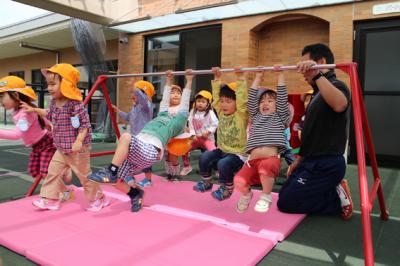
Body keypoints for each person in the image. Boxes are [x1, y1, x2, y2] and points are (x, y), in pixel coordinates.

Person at [88, 69, 193, 212]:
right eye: (172, 95)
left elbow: (185, 103)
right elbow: (164, 100)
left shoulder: (179, 120)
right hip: (137, 148)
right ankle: (135, 194)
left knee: (125, 137)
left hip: (151, 150)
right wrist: (168, 81)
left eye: (178, 95)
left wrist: (189, 80)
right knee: (115, 181)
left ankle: (111, 171)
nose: (173, 98)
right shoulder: (162, 113)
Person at [277, 43, 353, 220]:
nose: (303, 70)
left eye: (307, 64)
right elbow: (312, 133)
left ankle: (337, 200)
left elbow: (340, 104)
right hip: (311, 160)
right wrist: (299, 159)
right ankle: (329, 187)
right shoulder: (317, 94)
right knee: (284, 192)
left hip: (327, 162)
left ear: (321, 62)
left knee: (286, 203)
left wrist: (316, 73)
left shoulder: (337, 85)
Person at [22, 63, 107, 211]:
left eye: (53, 84)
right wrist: (33, 109)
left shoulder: (75, 105)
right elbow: (48, 113)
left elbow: (85, 125)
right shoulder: (55, 102)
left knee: (84, 176)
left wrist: (79, 141)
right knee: (53, 172)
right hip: (61, 148)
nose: (49, 88)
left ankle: (99, 198)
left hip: (77, 149)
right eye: (48, 84)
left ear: (66, 84)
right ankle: (51, 199)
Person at [234, 66, 289, 213]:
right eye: (262, 101)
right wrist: (258, 76)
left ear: (277, 106)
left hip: (270, 160)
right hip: (252, 162)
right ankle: (247, 195)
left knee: (266, 168)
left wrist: (280, 74)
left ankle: (266, 196)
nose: (265, 103)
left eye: (270, 101)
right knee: (238, 181)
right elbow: (251, 98)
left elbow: (283, 97)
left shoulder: (279, 116)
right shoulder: (256, 116)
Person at [193, 67, 249, 201]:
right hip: (222, 149)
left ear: (236, 103)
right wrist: (217, 78)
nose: (224, 105)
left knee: (223, 164)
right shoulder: (221, 113)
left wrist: (241, 78)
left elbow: (242, 101)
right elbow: (216, 99)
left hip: (238, 153)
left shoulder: (241, 115)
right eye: (223, 101)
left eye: (229, 101)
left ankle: (227, 188)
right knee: (205, 157)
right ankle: (207, 182)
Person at [112, 80, 155, 187]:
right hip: (134, 137)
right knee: (129, 156)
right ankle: (130, 176)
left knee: (145, 159)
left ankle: (148, 180)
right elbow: (127, 117)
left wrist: (136, 87)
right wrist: (118, 111)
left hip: (145, 137)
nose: (133, 96)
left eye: (135, 95)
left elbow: (143, 98)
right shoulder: (134, 108)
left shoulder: (147, 107)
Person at [180, 90, 218, 176]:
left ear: (208, 103)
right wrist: (192, 135)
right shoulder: (193, 111)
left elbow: (215, 123)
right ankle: (187, 167)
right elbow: (190, 124)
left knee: (214, 152)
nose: (200, 104)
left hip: (207, 139)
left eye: (203, 102)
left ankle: (217, 169)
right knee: (183, 148)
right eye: (198, 101)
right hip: (196, 138)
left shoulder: (210, 113)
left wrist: (208, 132)